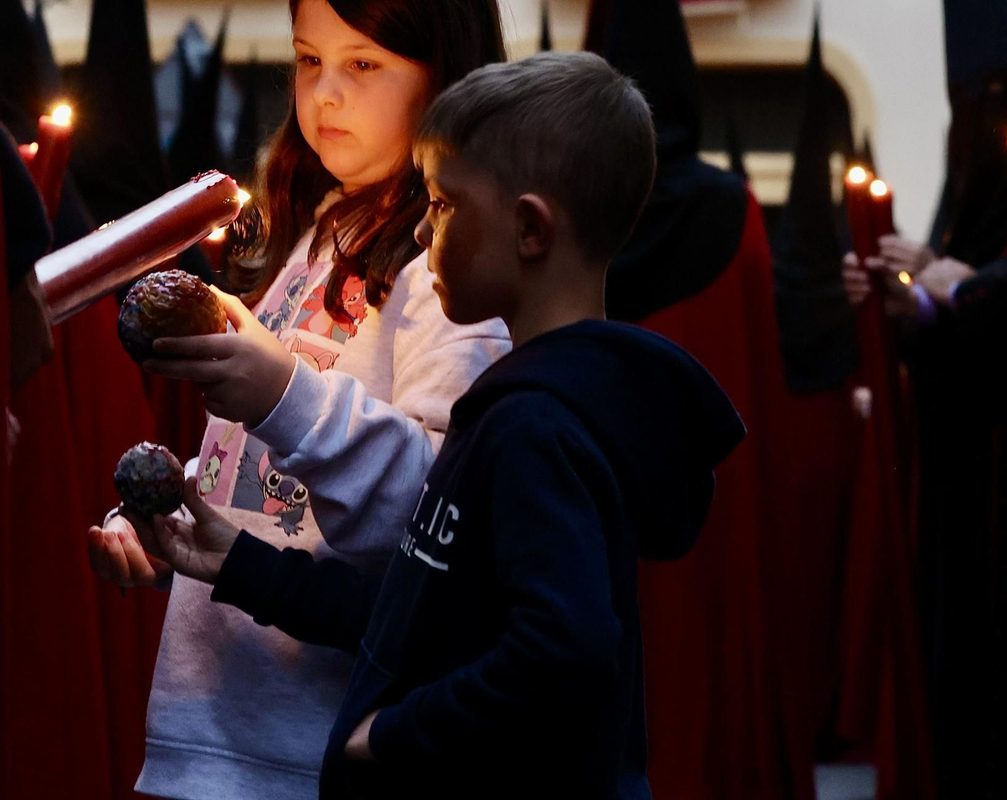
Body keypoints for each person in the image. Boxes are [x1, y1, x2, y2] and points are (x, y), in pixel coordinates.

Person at [146, 51, 744, 798]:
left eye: (445, 203)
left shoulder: (538, 428)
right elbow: (426, 613)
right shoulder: (521, 408)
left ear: (530, 228)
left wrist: (399, 732)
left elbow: (565, 650)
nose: (425, 233)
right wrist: (241, 565)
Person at [86, 0, 511, 800]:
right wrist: (166, 521)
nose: (323, 94)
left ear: (447, 76)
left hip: (317, 745)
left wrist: (285, 391)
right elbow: (244, 468)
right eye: (309, 58)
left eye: (364, 64)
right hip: (210, 724)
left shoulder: (447, 270)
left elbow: (438, 514)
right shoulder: (313, 233)